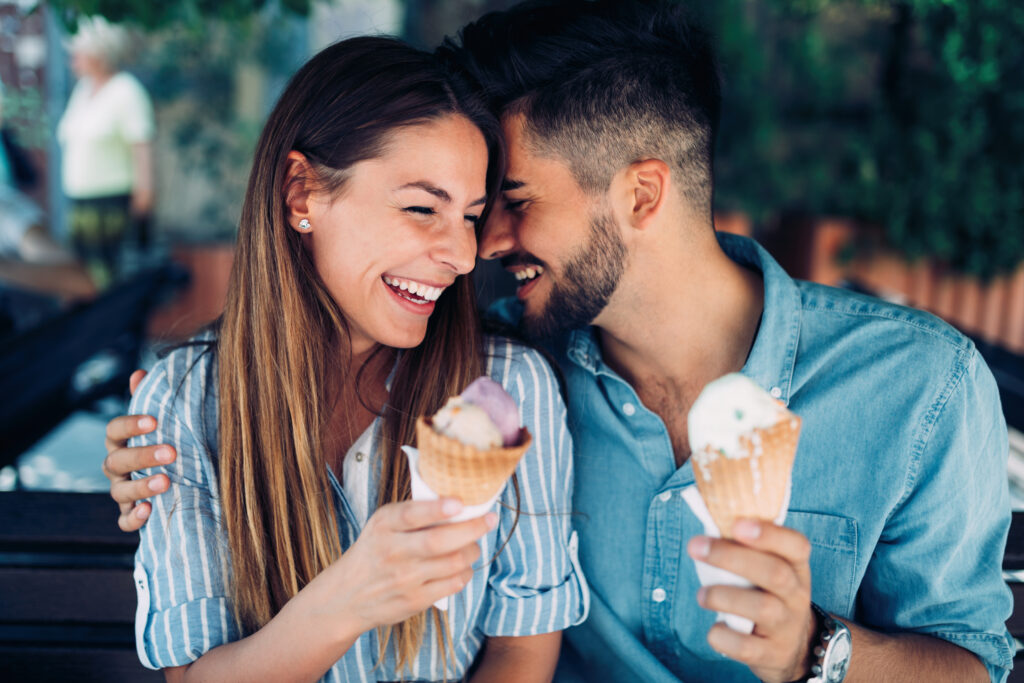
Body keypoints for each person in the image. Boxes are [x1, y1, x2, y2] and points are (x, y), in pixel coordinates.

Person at [104, 2, 1013, 682]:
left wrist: (822, 648)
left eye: (513, 203)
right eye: (462, 208)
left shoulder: (921, 386)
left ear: (642, 196)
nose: (477, 249)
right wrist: (168, 424)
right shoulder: (504, 381)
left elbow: (975, 664)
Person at [112, 36, 585, 682]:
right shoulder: (184, 401)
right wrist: (351, 594)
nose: (464, 255)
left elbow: (521, 648)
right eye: (422, 207)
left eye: (471, 216)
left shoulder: (507, 389)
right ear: (301, 192)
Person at [58, 15, 155, 289]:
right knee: (84, 279)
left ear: (99, 54)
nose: (73, 58)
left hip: (113, 206)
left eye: (79, 52)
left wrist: (144, 198)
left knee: (114, 281)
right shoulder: (83, 90)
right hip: (81, 205)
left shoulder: (126, 91)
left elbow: (141, 145)